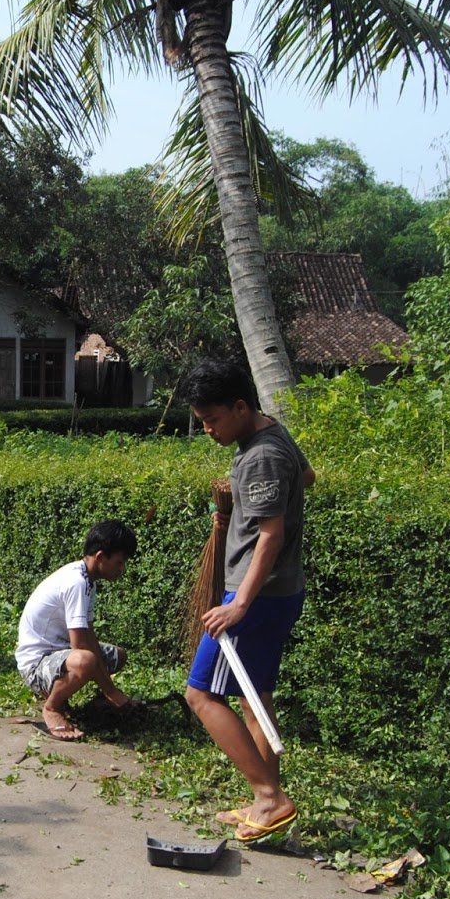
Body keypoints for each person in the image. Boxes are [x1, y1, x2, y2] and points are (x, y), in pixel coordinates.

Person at [177, 358, 313, 845]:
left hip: (255, 596)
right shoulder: (274, 433)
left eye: (212, 419)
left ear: (240, 406)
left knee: (201, 694)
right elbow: (308, 477)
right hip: (278, 591)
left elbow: (271, 536)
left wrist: (238, 605)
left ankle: (270, 796)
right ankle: (265, 798)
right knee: (254, 699)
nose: (208, 430)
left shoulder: (260, 455)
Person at [16, 520, 137, 741]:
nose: (122, 569)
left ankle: (90, 701)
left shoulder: (87, 580)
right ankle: (52, 708)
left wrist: (109, 689)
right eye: (120, 562)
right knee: (85, 660)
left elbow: (89, 635)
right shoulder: (76, 583)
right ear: (100, 557)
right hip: (36, 665)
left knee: (117, 656)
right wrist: (111, 690)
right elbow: (81, 646)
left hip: (57, 654)